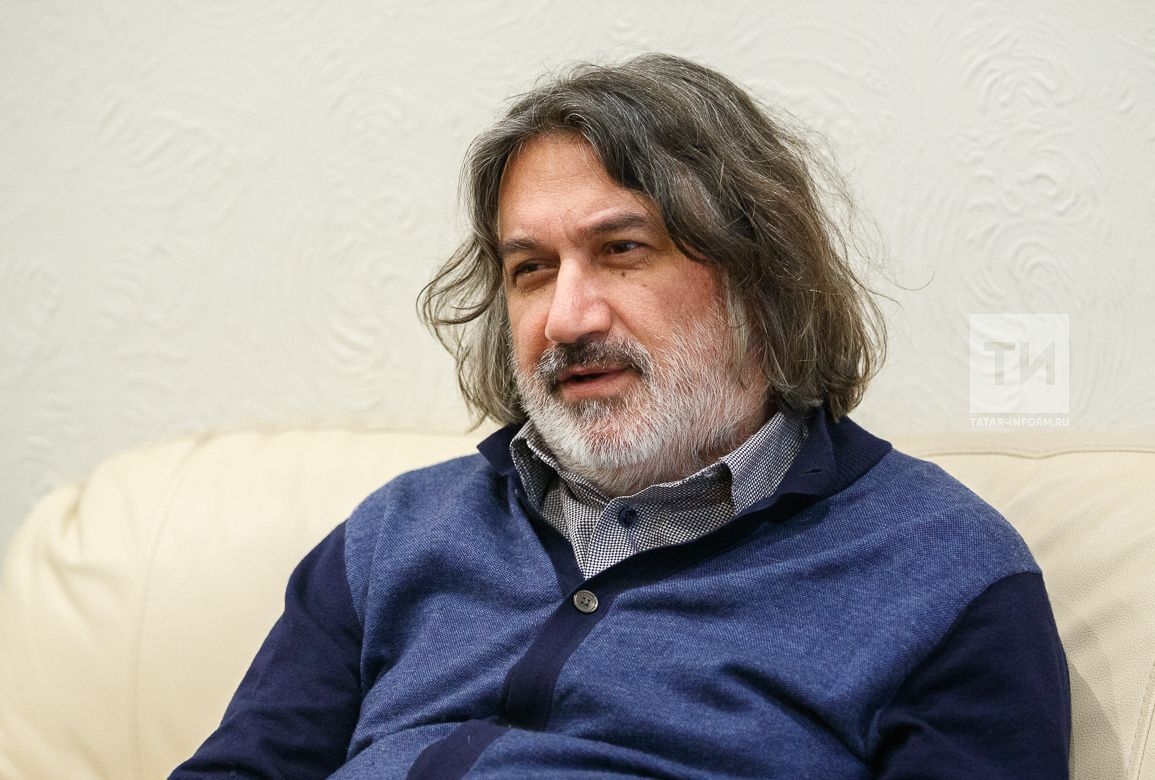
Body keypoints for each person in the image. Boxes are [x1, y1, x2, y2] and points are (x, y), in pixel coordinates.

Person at [174, 53, 1070, 779]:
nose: (567, 319)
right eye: (531, 270)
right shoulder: (394, 537)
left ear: (762, 281)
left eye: (622, 250)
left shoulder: (942, 571)